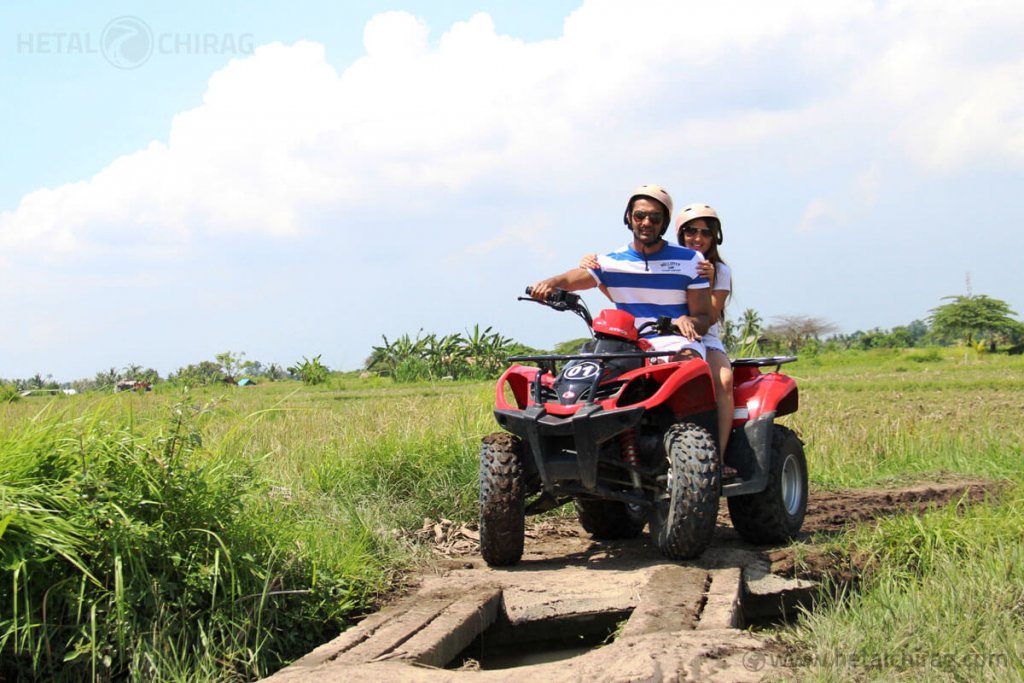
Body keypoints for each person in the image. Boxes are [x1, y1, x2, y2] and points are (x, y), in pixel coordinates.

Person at [580, 202, 736, 476]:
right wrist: (594, 266)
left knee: (721, 381)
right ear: (679, 234)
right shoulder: (672, 260)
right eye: (691, 232)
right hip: (656, 337)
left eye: (705, 232)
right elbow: (627, 292)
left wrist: (706, 285)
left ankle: (716, 457)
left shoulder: (715, 270)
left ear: (715, 237)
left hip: (702, 336)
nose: (697, 238)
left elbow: (708, 317)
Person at [529, 184, 712, 360]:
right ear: (629, 217)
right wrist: (549, 284)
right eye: (640, 215)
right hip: (627, 348)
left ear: (664, 222)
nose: (646, 222)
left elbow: (704, 318)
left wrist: (687, 321)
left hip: (677, 344)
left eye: (655, 218)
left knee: (686, 369)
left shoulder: (690, 260)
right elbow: (574, 278)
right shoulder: (611, 262)